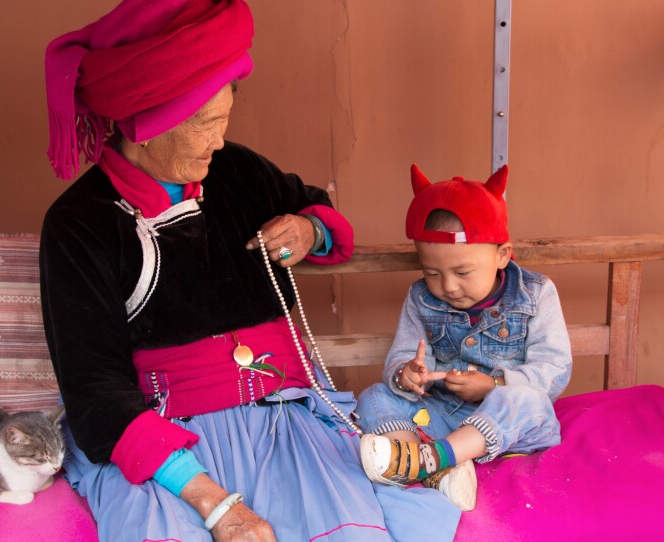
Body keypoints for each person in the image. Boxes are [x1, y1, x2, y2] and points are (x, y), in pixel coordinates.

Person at [40, 1, 462, 541]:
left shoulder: (234, 170)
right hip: (171, 444)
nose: (219, 140)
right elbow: (95, 394)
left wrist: (310, 230)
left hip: (287, 421)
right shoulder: (80, 225)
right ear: (148, 126)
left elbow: (323, 216)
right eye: (206, 125)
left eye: (224, 120)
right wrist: (217, 508)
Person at [355, 164, 573, 511]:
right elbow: (403, 356)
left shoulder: (536, 294)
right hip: (441, 413)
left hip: (506, 421)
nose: (448, 286)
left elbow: (554, 368)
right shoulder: (420, 298)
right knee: (376, 395)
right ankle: (426, 464)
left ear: (502, 254)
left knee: (524, 399)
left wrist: (494, 385)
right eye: (432, 273)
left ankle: (428, 460)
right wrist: (407, 374)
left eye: (462, 272)